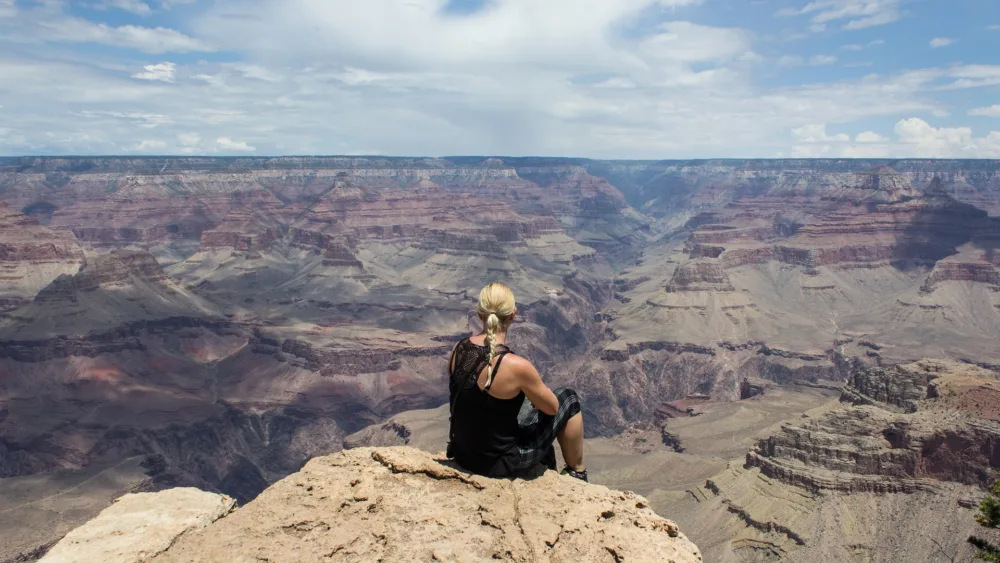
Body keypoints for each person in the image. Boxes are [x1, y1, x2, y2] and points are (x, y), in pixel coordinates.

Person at [446, 282, 588, 481]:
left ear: (479, 313)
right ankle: (577, 473)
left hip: (463, 455)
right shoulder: (516, 366)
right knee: (569, 399)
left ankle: (549, 466)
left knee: (525, 410)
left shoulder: (458, 349)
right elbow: (553, 409)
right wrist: (538, 393)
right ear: (513, 314)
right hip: (499, 464)